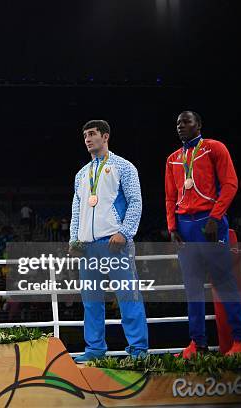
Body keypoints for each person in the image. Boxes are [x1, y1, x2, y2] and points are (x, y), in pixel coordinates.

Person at [165, 111, 241, 358]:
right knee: (192, 287)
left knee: (224, 282)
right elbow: (170, 196)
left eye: (186, 121)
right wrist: (172, 227)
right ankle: (197, 343)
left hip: (209, 222)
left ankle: (240, 340)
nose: (181, 126)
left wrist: (215, 217)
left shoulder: (214, 148)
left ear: (198, 124)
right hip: (184, 226)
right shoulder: (173, 159)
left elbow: (231, 184)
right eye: (178, 122)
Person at [69, 120, 148, 362]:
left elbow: (135, 201)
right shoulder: (81, 174)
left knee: (127, 297)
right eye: (85, 135)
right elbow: (77, 209)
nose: (87, 139)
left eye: (92, 134)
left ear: (105, 137)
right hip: (88, 247)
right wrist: (74, 239)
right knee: (91, 302)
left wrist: (124, 233)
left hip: (115, 243)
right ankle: (94, 349)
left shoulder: (124, 167)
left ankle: (138, 350)